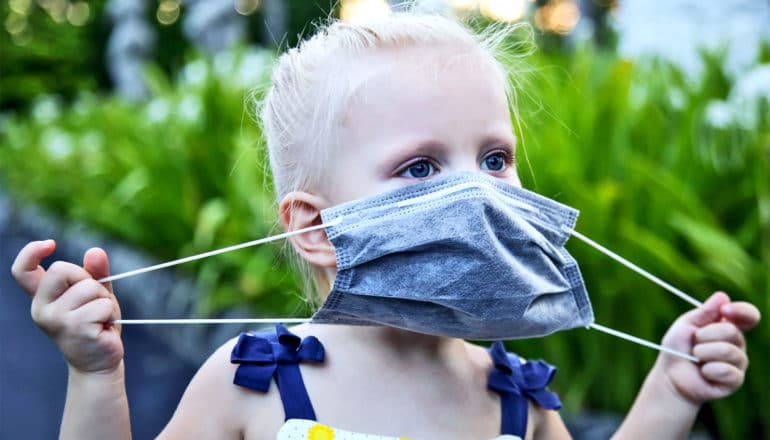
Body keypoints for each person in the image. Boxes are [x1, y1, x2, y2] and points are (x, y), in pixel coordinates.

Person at [10, 13, 760, 440]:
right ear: (316, 228)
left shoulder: (517, 400)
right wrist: (95, 374)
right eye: (421, 169)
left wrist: (672, 387)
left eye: (495, 157)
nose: (477, 193)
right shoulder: (254, 381)